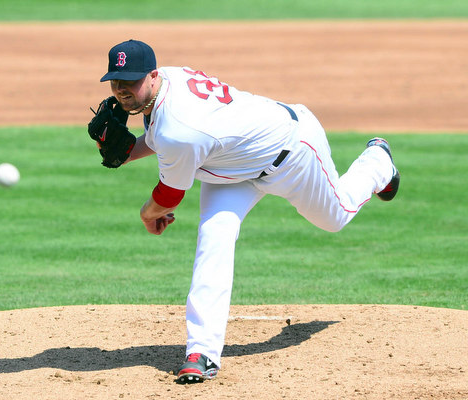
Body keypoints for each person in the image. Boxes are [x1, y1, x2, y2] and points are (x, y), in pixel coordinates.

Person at [97, 39, 400, 384]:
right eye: (116, 80)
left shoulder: (179, 129)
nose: (121, 90)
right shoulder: (167, 82)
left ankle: (377, 162)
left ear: (152, 75)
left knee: (335, 217)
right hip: (233, 169)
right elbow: (163, 137)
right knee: (214, 237)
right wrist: (124, 154)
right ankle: (202, 353)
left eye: (131, 81)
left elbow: (167, 196)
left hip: (292, 151)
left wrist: (146, 214)